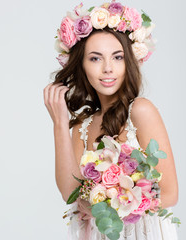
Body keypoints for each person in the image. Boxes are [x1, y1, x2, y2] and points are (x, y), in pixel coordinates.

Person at [44, 1, 179, 239]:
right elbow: (70, 194)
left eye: (117, 57)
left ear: (129, 61)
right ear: (82, 65)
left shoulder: (141, 111)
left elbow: (169, 194)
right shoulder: (82, 128)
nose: (108, 68)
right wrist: (59, 123)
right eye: (95, 59)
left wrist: (109, 206)